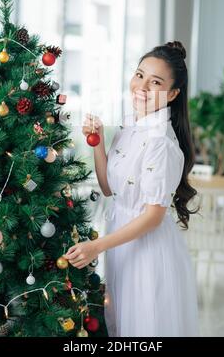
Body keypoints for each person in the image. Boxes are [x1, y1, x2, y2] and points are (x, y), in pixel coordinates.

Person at [64, 41, 199, 337]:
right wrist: (98, 142)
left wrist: (97, 246)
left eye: (156, 82)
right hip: (121, 242)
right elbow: (109, 188)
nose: (142, 86)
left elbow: (152, 217)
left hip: (147, 250)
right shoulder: (129, 127)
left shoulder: (161, 143)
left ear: (173, 94)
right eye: (140, 75)